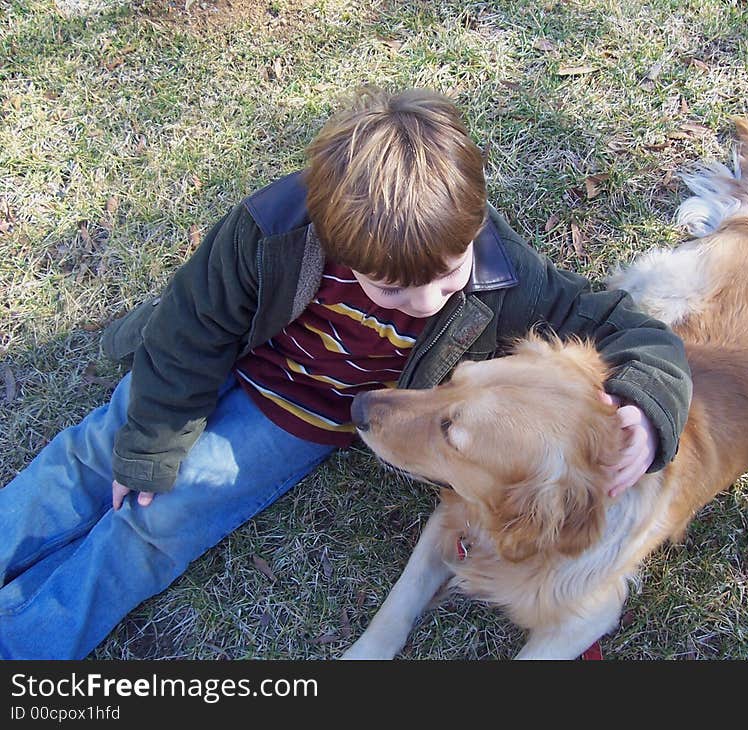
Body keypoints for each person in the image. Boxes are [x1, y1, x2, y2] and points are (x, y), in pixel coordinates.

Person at [0, 87, 692, 659]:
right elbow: (189, 331)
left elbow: (632, 329)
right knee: (92, 457)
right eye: (391, 290)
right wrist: (150, 443)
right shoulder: (270, 228)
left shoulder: (502, 268)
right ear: (334, 241)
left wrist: (645, 404)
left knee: (160, 518)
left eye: (446, 280)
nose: (424, 303)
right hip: (218, 364)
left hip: (295, 416)